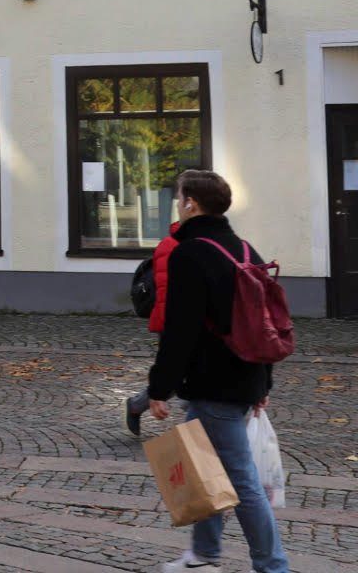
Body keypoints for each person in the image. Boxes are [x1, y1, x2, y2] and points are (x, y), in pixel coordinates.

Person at [145, 169, 290, 573]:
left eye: (179, 197)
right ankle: (202, 556)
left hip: (214, 384)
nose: (177, 203)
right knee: (203, 470)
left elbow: (181, 330)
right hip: (243, 377)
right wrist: (263, 381)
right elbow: (264, 323)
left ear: (191, 203)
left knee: (242, 481)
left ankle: (273, 566)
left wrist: (160, 387)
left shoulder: (191, 254)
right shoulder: (244, 249)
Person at [125, 213, 191, 436]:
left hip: (188, 322)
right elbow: (170, 293)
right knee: (181, 380)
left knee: (178, 379)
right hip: (172, 321)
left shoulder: (194, 245)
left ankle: (136, 405)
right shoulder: (172, 246)